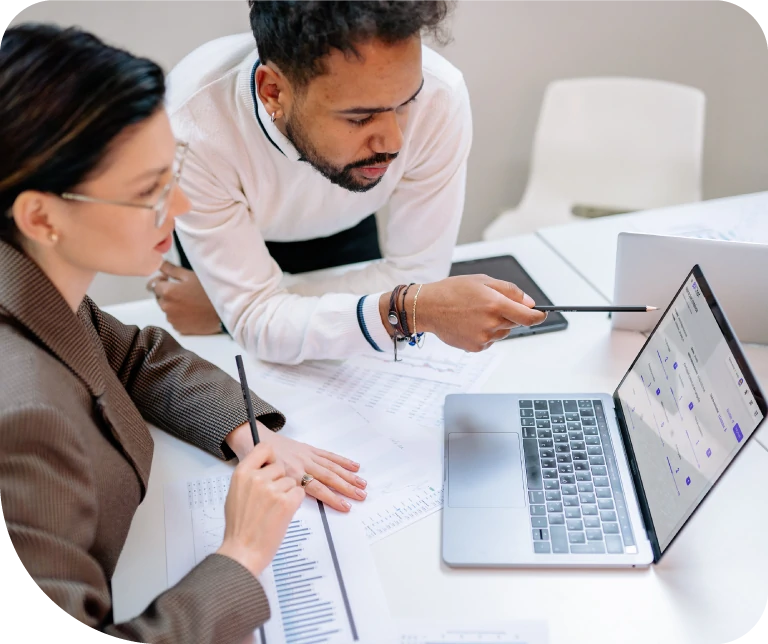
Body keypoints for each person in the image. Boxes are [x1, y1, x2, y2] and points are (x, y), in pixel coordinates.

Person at [0, 24, 367, 642]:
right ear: (40, 215)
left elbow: (132, 355)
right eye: (149, 192)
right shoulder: (21, 423)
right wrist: (241, 554)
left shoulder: (28, 282)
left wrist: (244, 429)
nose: (180, 210)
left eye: (173, 176)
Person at [151, 0, 546, 364]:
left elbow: (418, 278)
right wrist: (406, 307)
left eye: (407, 104)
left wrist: (227, 312)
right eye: (360, 118)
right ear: (273, 92)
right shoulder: (193, 127)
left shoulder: (441, 98)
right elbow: (258, 322)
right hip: (243, 232)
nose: (394, 143)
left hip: (350, 222)